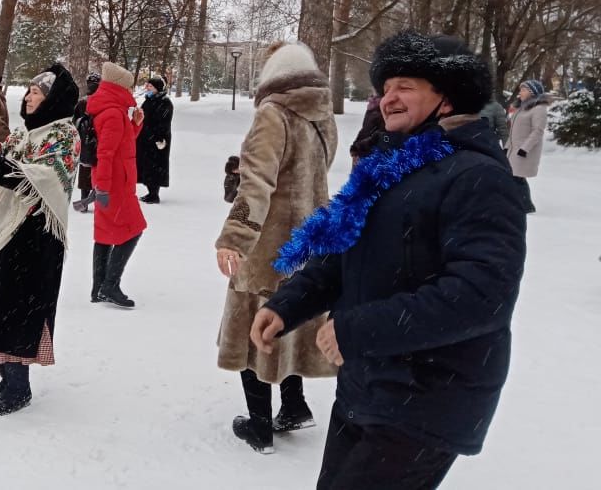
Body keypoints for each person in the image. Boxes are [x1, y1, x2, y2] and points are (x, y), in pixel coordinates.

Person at [251, 31, 526, 490]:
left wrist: (356, 329)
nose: (387, 99)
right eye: (386, 87)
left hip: (426, 398)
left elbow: (481, 296)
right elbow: (348, 253)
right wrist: (288, 303)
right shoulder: (393, 167)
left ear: (447, 97)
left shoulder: (478, 177)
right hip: (369, 383)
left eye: (406, 87)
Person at [215, 42, 339, 455]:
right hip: (311, 242)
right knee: (292, 318)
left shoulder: (272, 114)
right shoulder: (322, 117)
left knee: (255, 331)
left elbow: (257, 186)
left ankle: (259, 425)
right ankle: (294, 404)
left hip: (269, 244)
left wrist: (234, 237)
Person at [0, 64, 80, 416]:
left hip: (36, 240)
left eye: (38, 93)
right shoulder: (25, 134)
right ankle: (5, 379)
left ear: (53, 100)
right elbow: (1, 165)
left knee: (19, 314)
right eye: (28, 92)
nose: (29, 98)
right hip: (6, 234)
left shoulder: (63, 135)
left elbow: (41, 180)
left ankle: (18, 388)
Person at [85, 62, 147, 308]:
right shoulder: (112, 112)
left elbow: (121, 143)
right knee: (134, 228)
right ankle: (110, 284)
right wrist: (103, 188)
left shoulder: (112, 109)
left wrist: (135, 124)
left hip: (111, 182)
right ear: (120, 87)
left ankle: (98, 287)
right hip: (115, 185)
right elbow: (107, 154)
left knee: (104, 233)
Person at [507, 79, 549, 213]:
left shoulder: (539, 109)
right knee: (514, 176)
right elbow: (513, 130)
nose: (520, 92)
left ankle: (526, 205)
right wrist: (507, 146)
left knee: (517, 177)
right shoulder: (521, 108)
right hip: (514, 149)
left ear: (532, 92)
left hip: (523, 150)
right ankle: (520, 203)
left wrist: (525, 148)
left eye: (523, 90)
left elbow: (538, 131)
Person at [136, 75, 173, 204]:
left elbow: (164, 122)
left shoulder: (165, 102)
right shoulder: (149, 100)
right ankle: (150, 192)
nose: (147, 88)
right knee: (146, 165)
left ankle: (154, 194)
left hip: (157, 140)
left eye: (150, 86)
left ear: (157, 88)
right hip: (146, 138)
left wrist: (159, 137)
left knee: (155, 166)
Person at [71, 73, 101, 212]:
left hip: (86, 141)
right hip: (98, 141)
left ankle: (85, 200)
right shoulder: (102, 101)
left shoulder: (83, 102)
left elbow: (74, 122)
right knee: (97, 171)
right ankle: (98, 199)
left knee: (86, 170)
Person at [348, 91, 383, 163]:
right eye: (372, 96)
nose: (373, 99)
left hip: (370, 156)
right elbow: (364, 130)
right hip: (360, 153)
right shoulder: (371, 110)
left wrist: (358, 147)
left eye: (377, 97)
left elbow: (378, 135)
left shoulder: (382, 113)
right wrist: (355, 144)